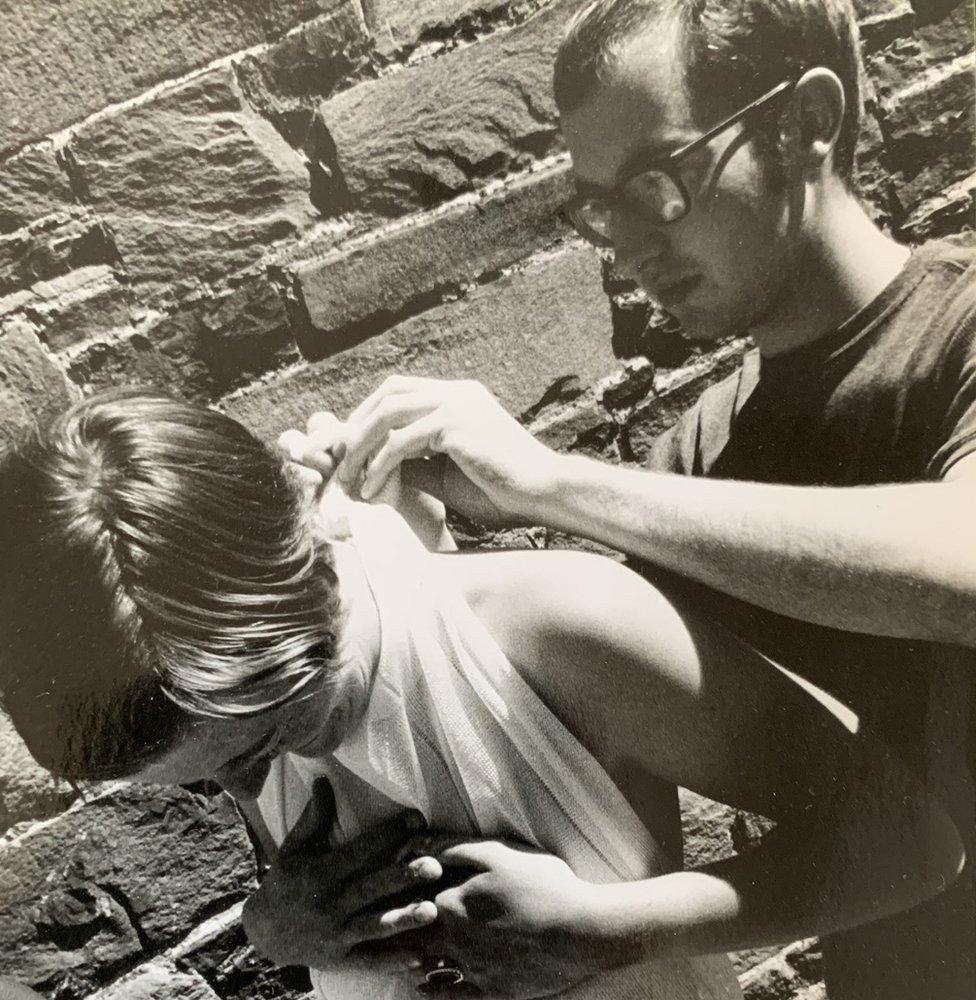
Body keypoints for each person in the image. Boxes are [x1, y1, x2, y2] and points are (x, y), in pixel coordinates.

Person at [271, 0, 976, 997]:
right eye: (599, 205)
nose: (624, 246)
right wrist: (388, 550)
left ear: (805, 123)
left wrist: (554, 484)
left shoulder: (959, 330)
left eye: (657, 184)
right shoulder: (696, 457)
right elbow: (584, 763)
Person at [0, 392, 961, 1000]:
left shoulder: (560, 627)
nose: (255, 783)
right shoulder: (215, 685)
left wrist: (616, 932)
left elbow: (912, 840)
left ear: (310, 578)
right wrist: (276, 929)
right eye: (215, 783)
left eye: (260, 749)